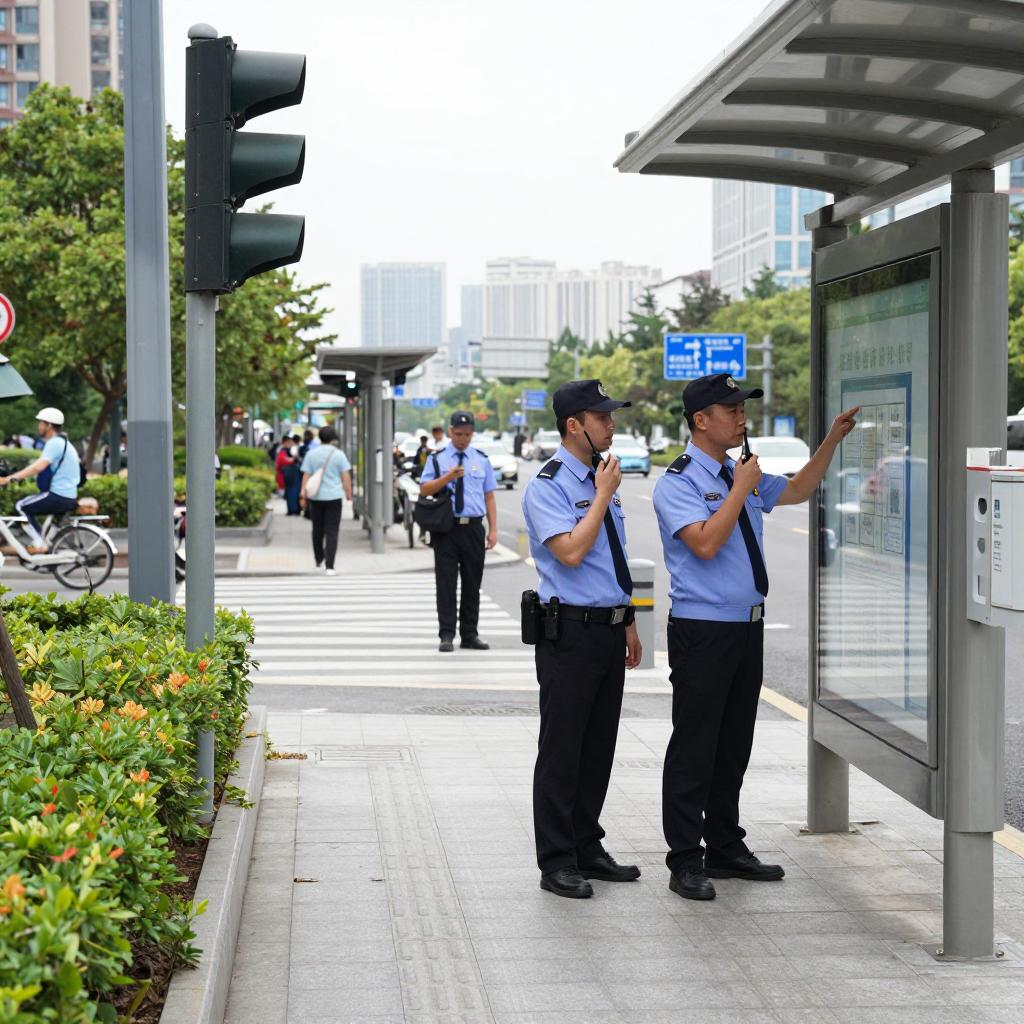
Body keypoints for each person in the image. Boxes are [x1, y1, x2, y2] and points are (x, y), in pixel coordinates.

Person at [652, 372, 858, 901]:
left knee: (733, 744)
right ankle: (684, 859)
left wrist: (831, 439)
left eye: (743, 407)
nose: (742, 416)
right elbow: (703, 543)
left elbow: (796, 489)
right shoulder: (679, 480)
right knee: (695, 746)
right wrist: (740, 489)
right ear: (702, 420)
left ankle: (724, 846)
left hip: (746, 627)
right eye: (731, 409)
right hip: (703, 630)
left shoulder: (733, 471)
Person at [520, 380, 643, 900]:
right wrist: (603, 496)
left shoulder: (599, 477)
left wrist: (629, 620)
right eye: (602, 417)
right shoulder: (548, 485)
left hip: (607, 627)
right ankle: (557, 860)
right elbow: (570, 551)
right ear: (575, 425)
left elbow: (610, 559)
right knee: (562, 750)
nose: (611, 424)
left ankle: (587, 844)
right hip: (567, 631)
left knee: (598, 748)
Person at [418, 411, 498, 652]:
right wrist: (448, 476)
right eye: (458, 434)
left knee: (473, 583)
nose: (463, 438)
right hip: (447, 528)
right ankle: (446, 634)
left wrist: (493, 529)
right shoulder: (438, 458)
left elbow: (489, 496)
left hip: (473, 527)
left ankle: (469, 633)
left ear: (473, 434)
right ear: (450, 431)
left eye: (467, 434)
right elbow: (425, 489)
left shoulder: (481, 459)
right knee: (446, 583)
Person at [0, 408, 81, 553]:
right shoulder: (64, 443)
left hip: (58, 495)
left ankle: (39, 544)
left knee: (21, 506)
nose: (39, 426)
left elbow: (38, 467)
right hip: (68, 495)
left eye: (41, 423)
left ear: (49, 425)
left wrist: (9, 479)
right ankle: (44, 545)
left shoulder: (55, 443)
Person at [300, 425, 353, 576]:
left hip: (316, 497)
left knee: (317, 529)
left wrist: (302, 495)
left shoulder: (311, 454)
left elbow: (306, 476)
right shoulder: (339, 455)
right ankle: (330, 566)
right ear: (334, 438)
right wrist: (348, 493)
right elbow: (346, 476)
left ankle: (318, 561)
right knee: (332, 531)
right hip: (334, 497)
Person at [280, 435, 303, 515]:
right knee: (292, 492)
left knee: (293, 492)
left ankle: (294, 509)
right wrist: (294, 460)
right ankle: (293, 510)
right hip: (291, 475)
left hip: (291, 475)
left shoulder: (288, 450)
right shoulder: (284, 451)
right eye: (289, 442)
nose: (290, 444)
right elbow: (284, 461)